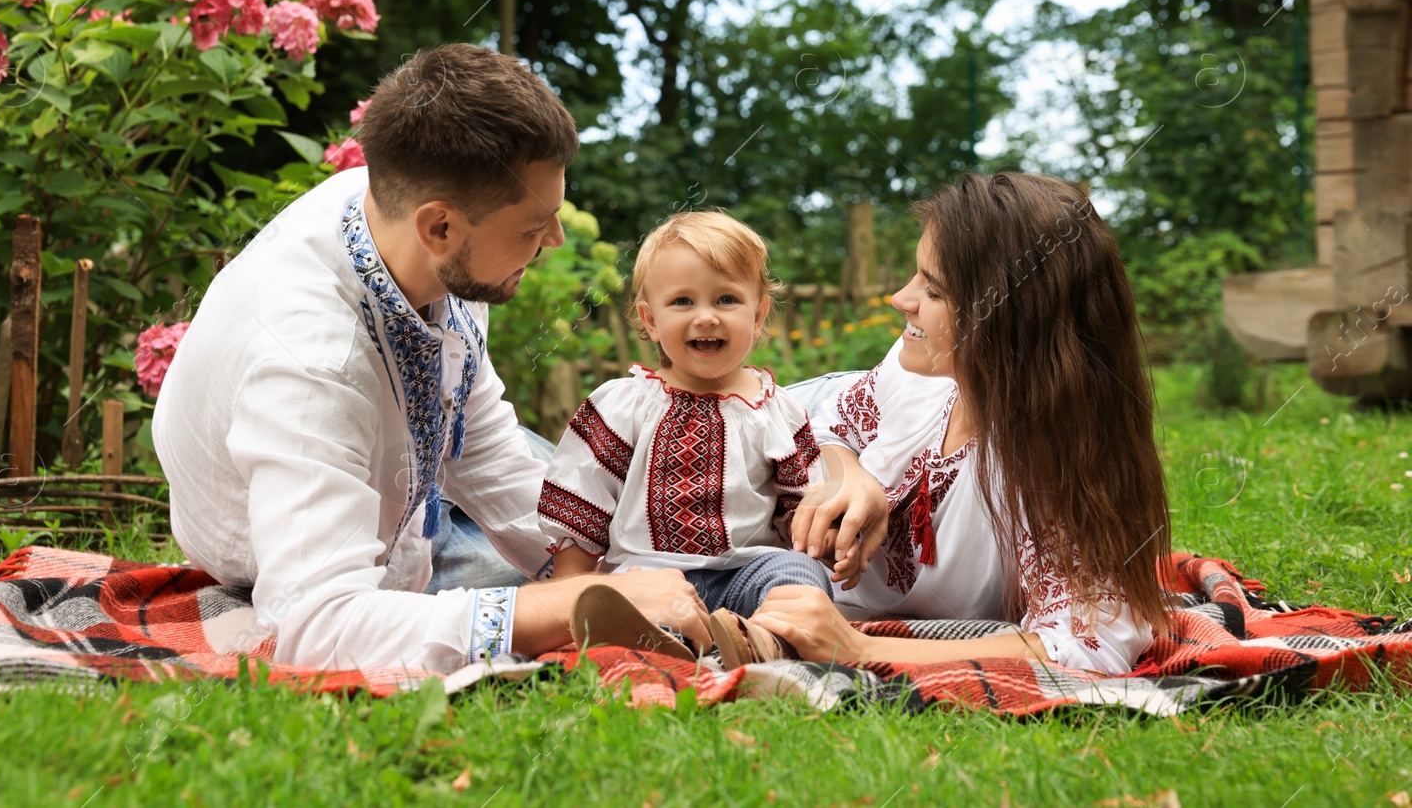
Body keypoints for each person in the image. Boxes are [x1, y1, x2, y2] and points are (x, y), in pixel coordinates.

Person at [152, 44, 714, 672]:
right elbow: (315, 625)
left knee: (627, 509)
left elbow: (487, 455)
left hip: (417, 504)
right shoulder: (310, 364)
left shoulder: (413, 232)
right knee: (557, 562)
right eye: (533, 227)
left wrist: (643, 571)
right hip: (299, 550)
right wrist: (586, 595)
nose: (554, 240)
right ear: (439, 228)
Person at [753, 172, 1172, 675]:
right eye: (916, 277)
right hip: (798, 408)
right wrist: (855, 480)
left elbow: (1089, 644)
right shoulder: (920, 370)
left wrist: (861, 649)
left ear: (1010, 318)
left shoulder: (1052, 472)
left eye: (933, 291)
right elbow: (829, 427)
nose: (900, 300)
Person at [536, 212, 849, 665]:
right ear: (651, 319)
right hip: (647, 574)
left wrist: (826, 538)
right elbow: (583, 497)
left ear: (758, 315)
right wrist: (568, 591)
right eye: (682, 301)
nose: (706, 317)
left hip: (747, 571)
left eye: (726, 299)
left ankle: (765, 639)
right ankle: (661, 641)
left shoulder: (778, 411)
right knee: (615, 594)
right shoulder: (625, 405)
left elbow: (800, 506)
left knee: (796, 573)